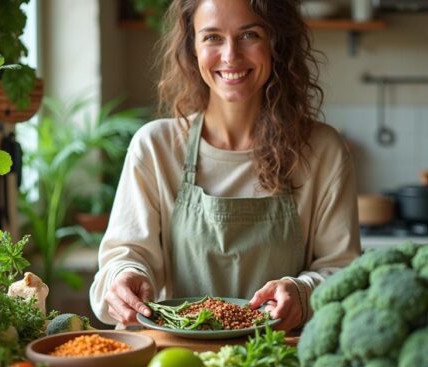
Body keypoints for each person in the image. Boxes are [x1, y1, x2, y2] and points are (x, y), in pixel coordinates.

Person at [90, 0, 360, 332]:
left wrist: (303, 293)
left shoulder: (322, 150)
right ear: (192, 48)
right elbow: (125, 255)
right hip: (175, 363)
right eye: (212, 37)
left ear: (277, 42)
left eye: (249, 35)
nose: (230, 55)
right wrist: (125, 276)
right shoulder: (156, 147)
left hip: (280, 362)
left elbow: (344, 272)